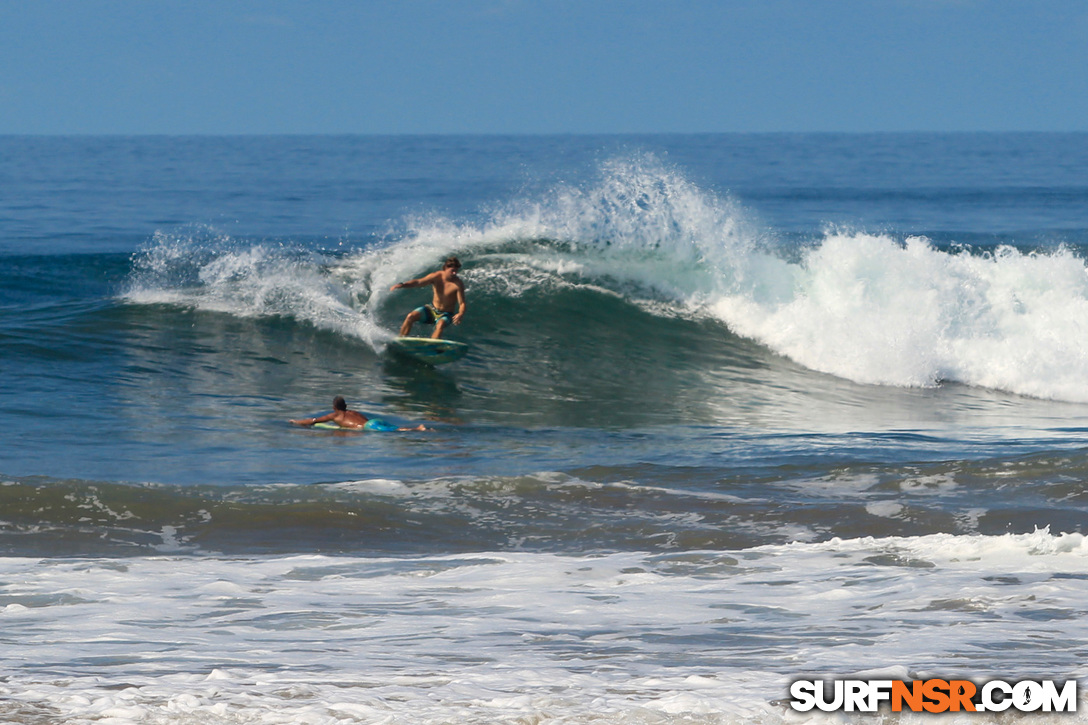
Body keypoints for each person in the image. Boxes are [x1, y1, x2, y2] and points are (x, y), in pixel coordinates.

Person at [389, 256, 466, 339]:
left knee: (440, 325)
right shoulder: (436, 277)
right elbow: (418, 282)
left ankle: (432, 346)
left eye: (456, 271)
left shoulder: (458, 284)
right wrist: (403, 285)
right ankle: (401, 339)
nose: (454, 273)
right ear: (445, 268)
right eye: (452, 271)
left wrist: (460, 314)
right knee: (410, 316)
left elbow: (462, 303)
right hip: (431, 309)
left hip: (446, 314)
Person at [290, 396, 428, 432]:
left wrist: (297, 422)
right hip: (374, 421)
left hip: (369, 427)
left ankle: (418, 429)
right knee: (394, 427)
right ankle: (417, 427)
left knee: (397, 430)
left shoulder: (335, 415)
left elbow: (314, 420)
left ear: (334, 407)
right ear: (346, 406)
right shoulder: (353, 412)